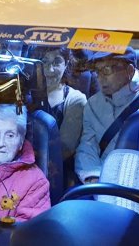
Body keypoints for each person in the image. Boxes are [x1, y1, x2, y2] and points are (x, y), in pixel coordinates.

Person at [74, 47, 139, 184]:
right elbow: (88, 146)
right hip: (100, 182)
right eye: (97, 71)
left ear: (130, 71)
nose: (100, 78)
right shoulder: (93, 103)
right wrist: (93, 178)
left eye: (106, 70)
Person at [35, 48, 87, 186]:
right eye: (44, 62)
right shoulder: (24, 94)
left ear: (66, 64)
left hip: (57, 175)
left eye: (57, 62)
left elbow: (65, 148)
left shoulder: (75, 100)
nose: (50, 69)